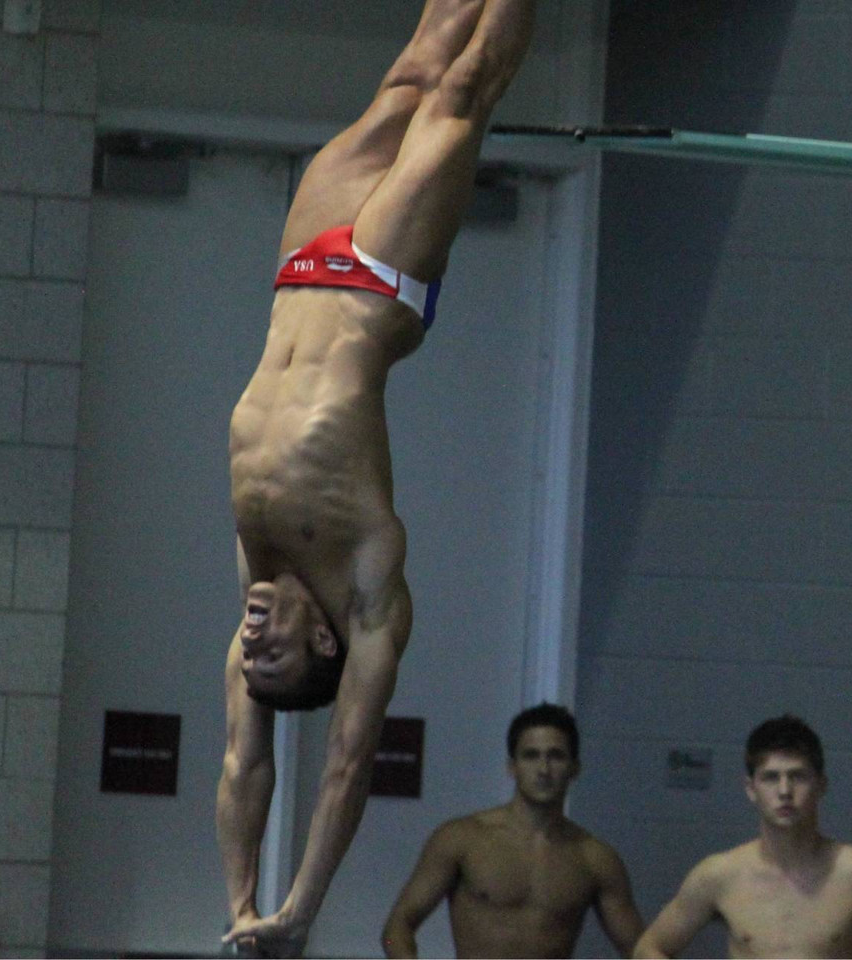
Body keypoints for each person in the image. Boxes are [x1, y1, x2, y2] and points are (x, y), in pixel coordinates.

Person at [216, 1, 536, 954]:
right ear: (324, 639)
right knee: (462, 91)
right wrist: (298, 912)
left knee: (412, 70)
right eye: (271, 651)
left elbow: (242, 762)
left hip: (299, 268)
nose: (251, 638)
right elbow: (344, 765)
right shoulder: (367, 599)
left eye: (250, 653)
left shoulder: (262, 581)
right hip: (373, 288)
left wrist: (237, 903)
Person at [634, 715, 852, 959]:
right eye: (771, 778)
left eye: (798, 776)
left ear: (821, 785)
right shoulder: (719, 875)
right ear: (750, 789)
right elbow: (649, 948)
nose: (784, 791)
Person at [381, 704, 645, 958]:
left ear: (575, 768)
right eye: (531, 756)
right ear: (512, 766)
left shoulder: (595, 859)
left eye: (556, 756)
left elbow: (640, 950)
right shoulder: (462, 839)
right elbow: (394, 930)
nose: (543, 769)